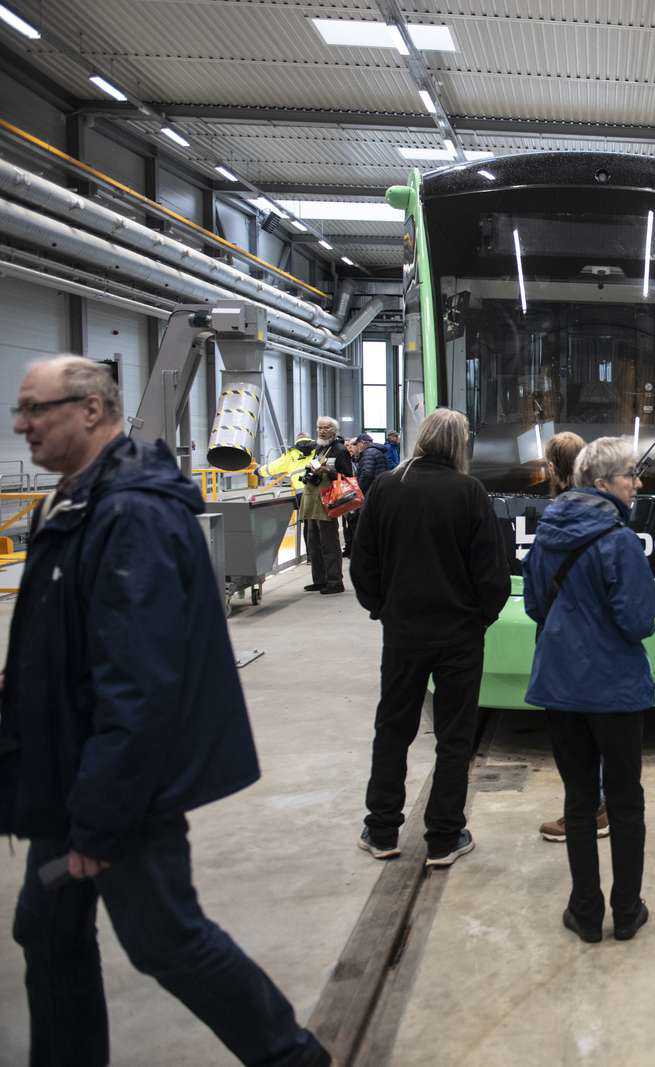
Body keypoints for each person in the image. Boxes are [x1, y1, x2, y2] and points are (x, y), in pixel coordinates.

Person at [3, 356, 327, 1066]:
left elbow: (138, 684)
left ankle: (291, 1056)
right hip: (70, 775)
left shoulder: (132, 513)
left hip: (114, 787)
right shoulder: (80, 500)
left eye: (36, 409)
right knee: (48, 931)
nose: (21, 424)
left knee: (165, 938)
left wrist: (99, 815)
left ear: (91, 409)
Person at [351, 408, 510, 867]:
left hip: (403, 633)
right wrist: (480, 618)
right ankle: (444, 836)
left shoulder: (386, 488)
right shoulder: (470, 492)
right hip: (459, 636)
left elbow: (363, 562)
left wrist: (381, 607)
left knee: (393, 728)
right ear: (461, 445)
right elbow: (492, 573)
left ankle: (381, 829)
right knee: (455, 736)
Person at [523, 437, 655, 942]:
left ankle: (585, 911)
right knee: (624, 800)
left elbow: (536, 606)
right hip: (615, 691)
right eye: (629, 474)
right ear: (603, 485)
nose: (637, 483)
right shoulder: (620, 540)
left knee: (579, 799)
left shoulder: (548, 531)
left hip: (560, 687)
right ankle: (626, 910)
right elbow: (638, 621)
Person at [535, 431, 610, 845]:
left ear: (552, 468)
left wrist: (552, 625)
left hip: (562, 644)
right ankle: (598, 805)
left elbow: (535, 594)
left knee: (572, 738)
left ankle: (588, 812)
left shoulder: (554, 516)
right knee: (595, 731)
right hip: (597, 645)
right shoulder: (605, 514)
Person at [299, 415, 354, 593]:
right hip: (312, 501)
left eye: (326, 428)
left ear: (334, 430)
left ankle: (334, 581)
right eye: (319, 428)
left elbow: (347, 476)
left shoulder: (339, 450)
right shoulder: (318, 448)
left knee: (329, 542)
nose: (322, 431)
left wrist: (327, 470)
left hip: (327, 501)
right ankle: (319, 579)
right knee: (313, 542)